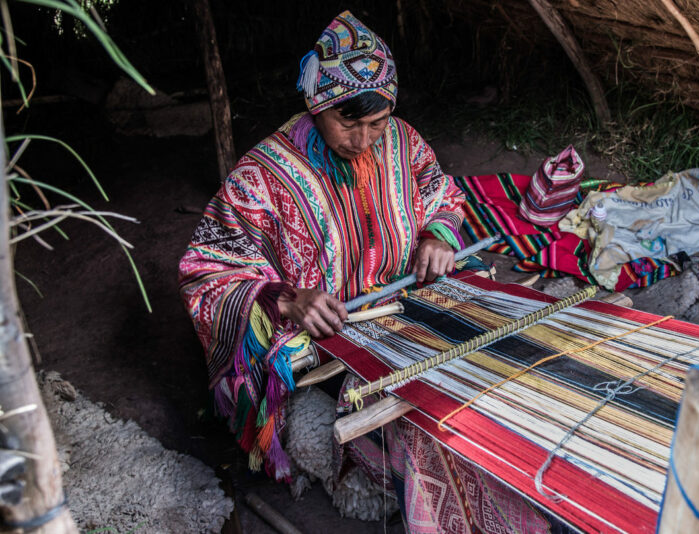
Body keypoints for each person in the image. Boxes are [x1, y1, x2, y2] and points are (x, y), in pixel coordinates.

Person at [180, 11, 563, 532]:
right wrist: (288, 298)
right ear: (316, 107)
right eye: (348, 124)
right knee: (351, 398)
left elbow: (442, 196)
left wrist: (437, 237)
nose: (364, 140)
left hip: (407, 297)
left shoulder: (402, 141)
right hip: (329, 326)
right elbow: (207, 270)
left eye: (376, 124)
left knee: (498, 343)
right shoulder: (261, 176)